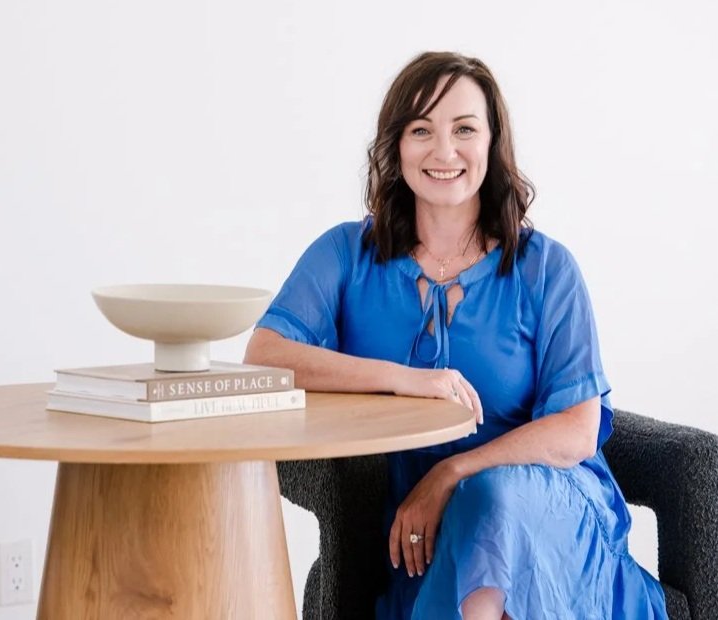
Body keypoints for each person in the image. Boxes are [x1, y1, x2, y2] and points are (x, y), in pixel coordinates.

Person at [243, 51, 667, 619]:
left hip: (547, 507)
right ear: (397, 145)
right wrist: (407, 381)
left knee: (490, 498)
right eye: (422, 130)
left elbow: (577, 430)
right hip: (419, 530)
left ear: (492, 143)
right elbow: (266, 356)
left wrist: (452, 473)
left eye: (464, 129)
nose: (444, 152)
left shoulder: (545, 268)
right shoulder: (346, 254)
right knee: (475, 512)